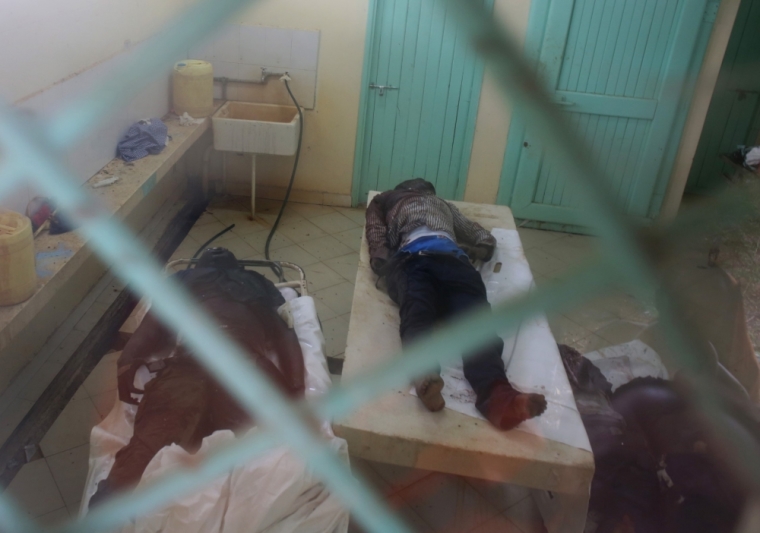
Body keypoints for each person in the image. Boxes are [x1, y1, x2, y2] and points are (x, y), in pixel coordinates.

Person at [90, 248, 305, 506]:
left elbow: (154, 324)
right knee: (238, 453)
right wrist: (294, 388)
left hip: (204, 365)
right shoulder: (254, 288)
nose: (219, 252)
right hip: (237, 367)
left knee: (156, 438)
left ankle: (114, 500)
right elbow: (285, 335)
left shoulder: (191, 283)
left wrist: (127, 363)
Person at [365, 178, 547, 430]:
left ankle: (499, 396)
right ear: (402, 190)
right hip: (411, 259)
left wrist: (484, 242)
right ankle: (425, 375)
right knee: (417, 312)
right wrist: (380, 255)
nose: (419, 193)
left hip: (453, 260)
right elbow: (375, 228)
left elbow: (470, 228)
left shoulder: (443, 206)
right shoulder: (384, 201)